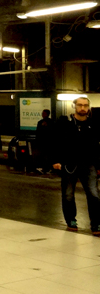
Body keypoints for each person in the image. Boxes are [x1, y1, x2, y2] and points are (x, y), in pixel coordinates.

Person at [53, 97, 100, 235]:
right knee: (68, 194)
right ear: (74, 106)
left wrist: (98, 164)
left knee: (94, 194)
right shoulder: (65, 124)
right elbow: (56, 142)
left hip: (89, 164)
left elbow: (97, 146)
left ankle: (96, 223)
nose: (83, 108)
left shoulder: (93, 124)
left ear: (89, 107)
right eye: (80, 105)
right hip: (69, 164)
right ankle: (71, 220)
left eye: (85, 105)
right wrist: (56, 160)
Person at [35, 109, 54, 174]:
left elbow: (52, 132)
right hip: (41, 142)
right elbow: (38, 132)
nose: (43, 115)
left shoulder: (51, 122)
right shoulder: (40, 122)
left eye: (44, 113)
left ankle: (48, 168)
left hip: (48, 142)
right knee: (42, 155)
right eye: (42, 113)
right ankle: (42, 167)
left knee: (48, 156)